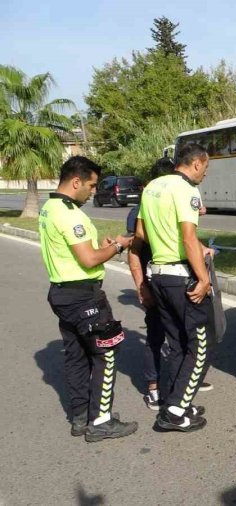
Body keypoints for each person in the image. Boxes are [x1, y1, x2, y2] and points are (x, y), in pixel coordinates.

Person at [39, 156, 138, 442]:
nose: (93, 192)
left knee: (76, 356)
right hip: (84, 297)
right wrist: (118, 245)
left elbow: (75, 250)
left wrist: (100, 246)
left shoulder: (50, 207)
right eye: (91, 186)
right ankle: (102, 421)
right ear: (76, 182)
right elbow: (89, 259)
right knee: (106, 353)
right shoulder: (69, 214)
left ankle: (80, 417)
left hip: (62, 293)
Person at [131, 144, 214, 432]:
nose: (205, 174)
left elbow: (140, 233)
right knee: (200, 345)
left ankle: (175, 399)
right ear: (196, 163)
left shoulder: (152, 187)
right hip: (180, 276)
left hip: (157, 275)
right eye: (205, 168)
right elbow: (189, 238)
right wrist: (203, 279)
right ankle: (176, 411)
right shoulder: (187, 189)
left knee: (177, 343)